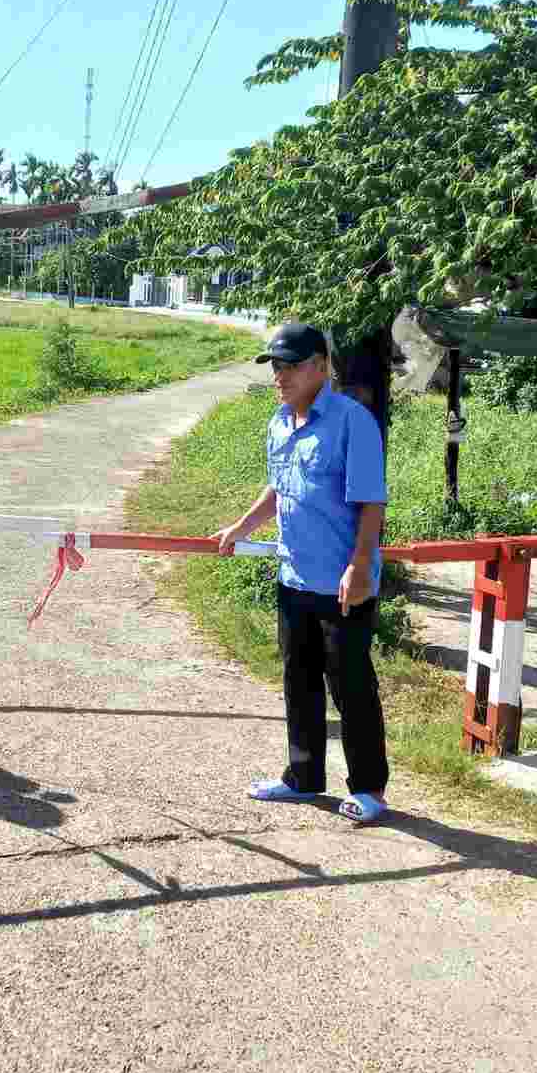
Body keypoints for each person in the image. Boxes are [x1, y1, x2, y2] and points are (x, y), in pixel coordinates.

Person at [213, 322, 391, 823]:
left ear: (321, 366)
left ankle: (369, 789)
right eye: (276, 366)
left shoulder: (352, 422)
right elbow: (279, 487)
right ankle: (304, 777)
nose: (280, 375)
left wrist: (359, 566)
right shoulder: (279, 422)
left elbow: (371, 502)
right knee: (299, 681)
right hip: (293, 575)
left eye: (290, 366)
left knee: (351, 685)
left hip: (342, 583)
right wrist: (242, 526)